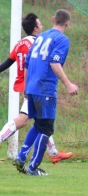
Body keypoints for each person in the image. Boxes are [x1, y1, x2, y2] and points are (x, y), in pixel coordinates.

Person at [0, 13, 73, 164]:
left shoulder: (21, 43)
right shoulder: (40, 41)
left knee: (41, 121)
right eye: (39, 25)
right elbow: (46, 63)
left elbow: (7, 63)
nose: (42, 26)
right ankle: (26, 158)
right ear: (35, 28)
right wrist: (66, 82)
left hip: (28, 85)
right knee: (24, 120)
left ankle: (53, 152)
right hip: (37, 85)